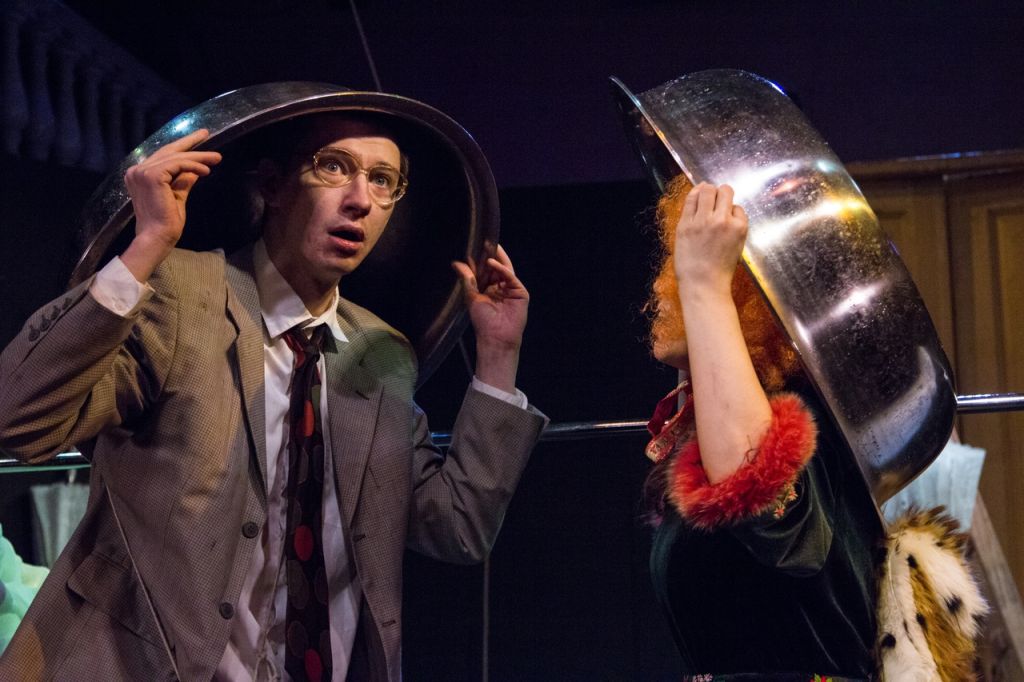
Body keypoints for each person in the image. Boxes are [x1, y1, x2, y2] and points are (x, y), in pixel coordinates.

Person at [0, 105, 546, 680]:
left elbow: (457, 527)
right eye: (334, 166)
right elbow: (17, 420)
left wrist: (498, 355)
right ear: (273, 185)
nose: (360, 199)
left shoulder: (382, 352)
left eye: (383, 180)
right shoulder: (177, 291)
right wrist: (147, 243)